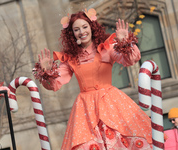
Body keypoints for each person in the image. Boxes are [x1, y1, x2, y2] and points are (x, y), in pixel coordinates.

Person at [33, 9, 153, 150]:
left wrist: (124, 42)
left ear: (91, 27)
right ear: (72, 34)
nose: (82, 32)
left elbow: (131, 59)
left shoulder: (106, 48)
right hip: (85, 110)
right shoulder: (70, 58)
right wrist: (47, 71)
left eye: (85, 27)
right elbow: (55, 84)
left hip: (112, 104)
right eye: (76, 29)